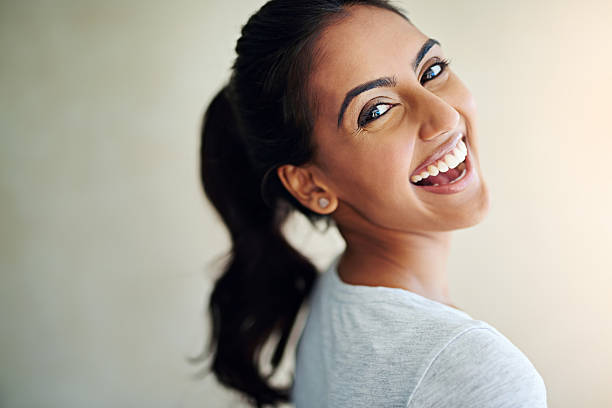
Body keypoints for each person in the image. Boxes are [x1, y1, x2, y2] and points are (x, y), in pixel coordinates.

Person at [199, 0, 548, 407]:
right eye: (376, 110)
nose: (445, 118)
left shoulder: (340, 292)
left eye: (431, 71)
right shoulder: (473, 371)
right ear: (310, 186)